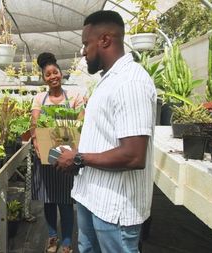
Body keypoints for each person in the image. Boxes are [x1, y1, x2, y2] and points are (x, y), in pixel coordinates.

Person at [56, 10, 156, 253]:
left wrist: (79, 158)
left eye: (85, 44)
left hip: (115, 210)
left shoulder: (130, 82)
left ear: (105, 40)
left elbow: (133, 156)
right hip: (93, 198)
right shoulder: (109, 80)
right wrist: (79, 153)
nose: (83, 51)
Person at [30, 52, 84, 253]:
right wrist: (36, 139)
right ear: (44, 78)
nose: (52, 77)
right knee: (49, 199)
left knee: (66, 201)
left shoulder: (74, 97)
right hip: (46, 156)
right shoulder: (39, 98)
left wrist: (77, 149)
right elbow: (35, 123)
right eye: (48, 75)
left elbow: (81, 123)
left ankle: (68, 241)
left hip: (68, 155)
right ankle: (52, 237)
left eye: (55, 73)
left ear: (61, 74)